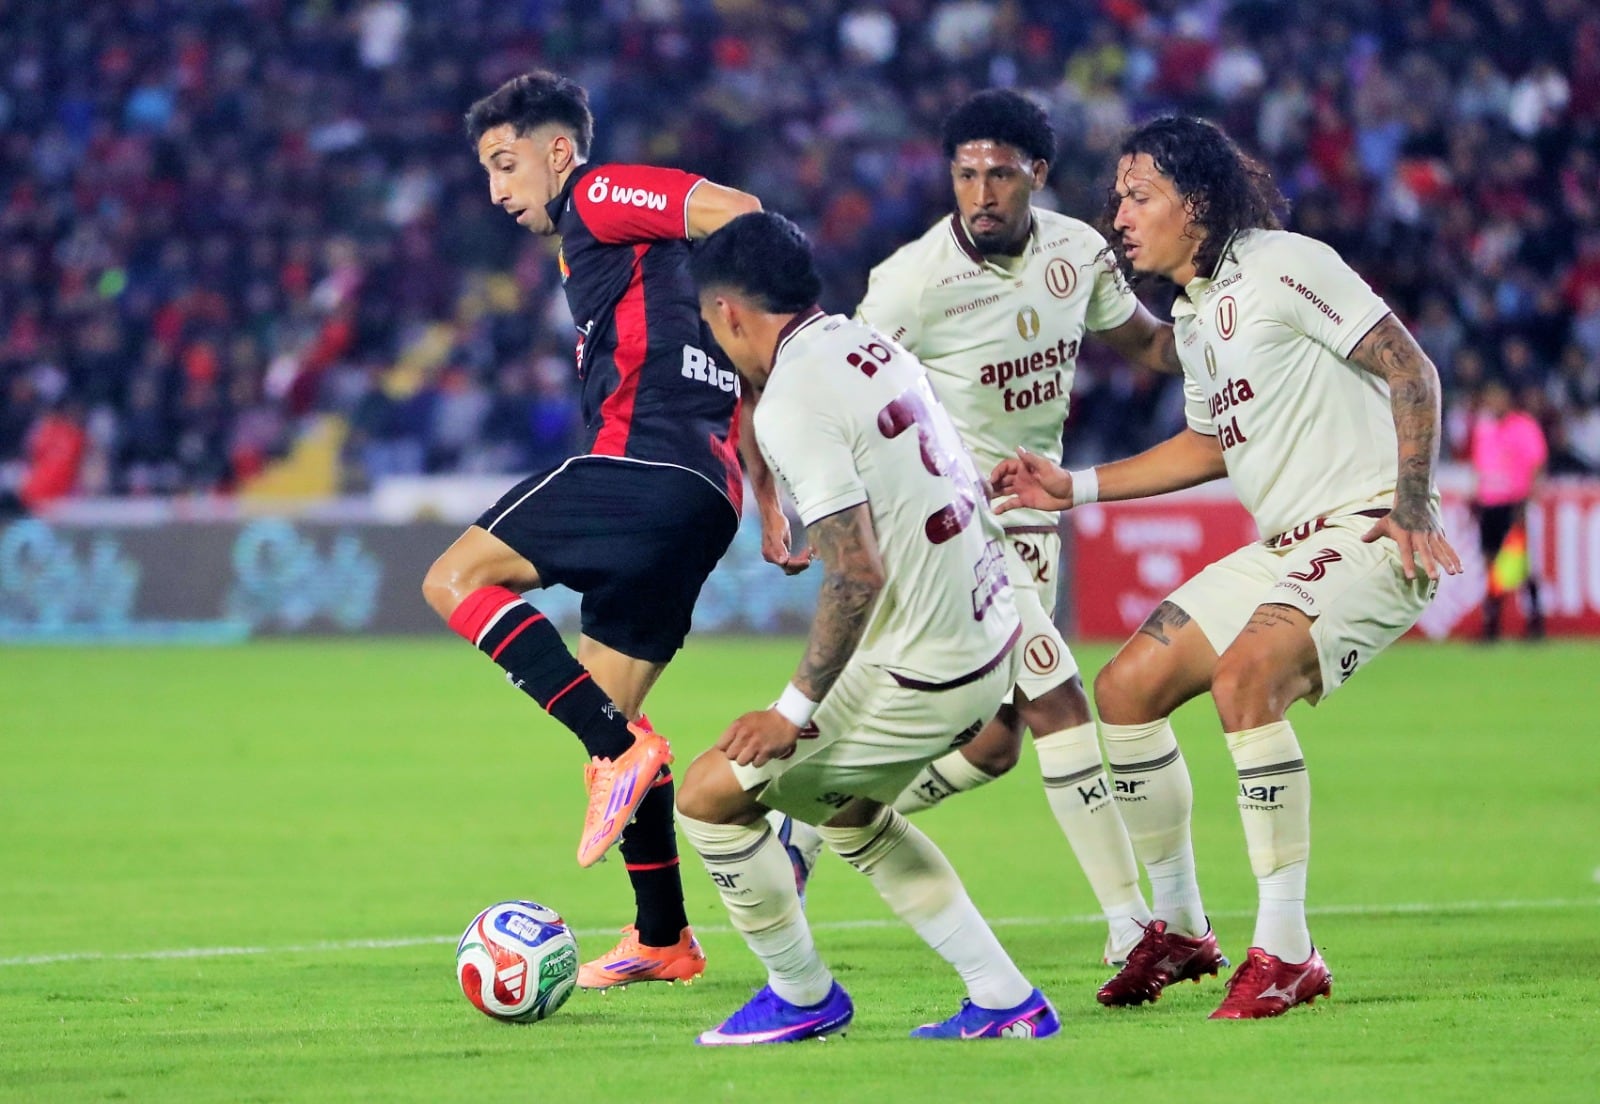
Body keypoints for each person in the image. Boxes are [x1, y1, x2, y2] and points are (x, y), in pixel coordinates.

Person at [993, 116, 1462, 1019]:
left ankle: (1287, 949)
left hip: (1370, 531)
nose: (1119, 216)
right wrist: (1073, 487)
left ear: (1197, 201)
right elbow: (1209, 447)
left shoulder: (1285, 263)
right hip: (1287, 545)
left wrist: (1409, 502)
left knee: (1248, 677)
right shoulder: (1196, 313)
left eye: (1139, 196)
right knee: (1126, 687)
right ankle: (1180, 928)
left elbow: (1411, 368)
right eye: (1117, 198)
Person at [422, 71, 802, 992]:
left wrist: (792, 322)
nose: (499, 192)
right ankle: (664, 937)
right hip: (703, 494)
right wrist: (772, 491)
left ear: (559, 151)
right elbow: (733, 365)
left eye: (506, 165)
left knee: (453, 581)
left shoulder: (596, 193)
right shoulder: (667, 281)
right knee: (610, 711)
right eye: (487, 173)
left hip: (641, 464)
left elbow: (739, 209)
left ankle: (623, 753)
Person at [676, 210, 1058, 1045]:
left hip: (927, 664)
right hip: (982, 631)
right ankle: (1005, 1000)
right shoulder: (865, 347)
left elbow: (855, 571)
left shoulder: (794, 402)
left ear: (732, 316)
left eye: (712, 325)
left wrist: (791, 708)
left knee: (707, 798)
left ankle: (803, 995)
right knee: (849, 815)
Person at [857, 88, 1180, 966]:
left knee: (996, 746)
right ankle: (1130, 925)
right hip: (948, 526)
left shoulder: (1077, 250)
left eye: (1000, 174)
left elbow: (1149, 346)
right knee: (1058, 697)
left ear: (1037, 174)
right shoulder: (910, 281)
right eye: (966, 175)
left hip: (1030, 518)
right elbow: (837, 388)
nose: (982, 193)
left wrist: (1245, 330)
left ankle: (819, 822)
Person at [1469, 377, 1547, 640]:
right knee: (1492, 563)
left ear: (1508, 399)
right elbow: (1481, 467)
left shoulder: (1523, 426)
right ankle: (1492, 625)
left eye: (1497, 397)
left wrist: (1527, 501)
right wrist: (1476, 496)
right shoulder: (1484, 428)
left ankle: (1536, 623)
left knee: (1521, 564)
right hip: (1489, 504)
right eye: (1489, 398)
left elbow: (1537, 464)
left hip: (1515, 504)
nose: (1493, 402)